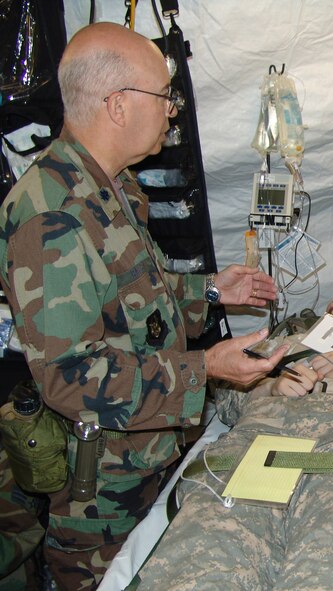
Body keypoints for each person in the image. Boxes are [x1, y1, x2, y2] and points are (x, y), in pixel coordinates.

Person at [0, 22, 288, 590]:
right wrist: (205, 369)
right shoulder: (49, 216)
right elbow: (69, 378)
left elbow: (133, 305)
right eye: (165, 96)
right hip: (101, 495)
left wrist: (210, 290)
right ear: (117, 105)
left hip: (149, 456)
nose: (173, 111)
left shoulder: (113, 187)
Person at [134, 292, 333, 590]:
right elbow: (227, 401)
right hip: (262, 446)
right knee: (208, 557)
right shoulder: (280, 345)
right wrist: (271, 388)